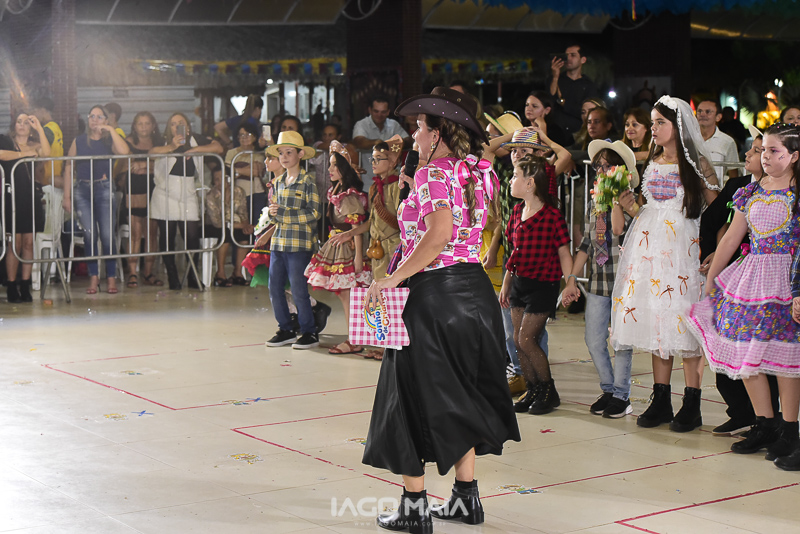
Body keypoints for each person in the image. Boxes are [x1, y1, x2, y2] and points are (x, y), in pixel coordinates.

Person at [362, 87, 520, 532]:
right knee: (461, 395)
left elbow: (437, 236)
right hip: (475, 293)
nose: (414, 135)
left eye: (419, 127)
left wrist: (392, 278)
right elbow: (470, 229)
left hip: (433, 296)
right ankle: (466, 500)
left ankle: (414, 507)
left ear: (436, 134)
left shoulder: (433, 173)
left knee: (405, 396)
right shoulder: (478, 173)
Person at [688, 123, 800, 470]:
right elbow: (731, 238)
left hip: (786, 279)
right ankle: (764, 423)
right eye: (763, 150)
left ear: (794, 156)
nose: (765, 157)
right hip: (752, 279)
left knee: (785, 358)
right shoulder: (750, 190)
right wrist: (713, 278)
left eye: (774, 151)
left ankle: (790, 429)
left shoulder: (797, 193)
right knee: (746, 351)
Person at [609, 95, 719, 432]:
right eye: (653, 122)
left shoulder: (697, 163)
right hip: (650, 249)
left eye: (660, 123)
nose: (654, 128)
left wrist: (713, 250)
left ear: (678, 126)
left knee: (683, 322)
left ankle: (692, 403)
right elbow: (648, 208)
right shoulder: (653, 160)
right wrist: (630, 206)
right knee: (658, 319)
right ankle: (661, 400)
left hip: (683, 249)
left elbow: (716, 210)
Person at [696, 126, 780, 436]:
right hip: (739, 275)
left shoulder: (788, 193)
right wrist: (713, 259)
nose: (752, 154)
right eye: (759, 150)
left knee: (768, 355)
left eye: (762, 150)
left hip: (773, 277)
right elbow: (717, 224)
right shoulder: (740, 187)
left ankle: (773, 422)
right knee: (732, 346)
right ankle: (746, 413)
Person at [562, 140, 640, 418]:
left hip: (624, 281)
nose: (601, 171)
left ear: (620, 170)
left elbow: (618, 229)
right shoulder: (595, 203)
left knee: (621, 340)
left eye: (607, 166)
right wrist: (572, 278)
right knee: (594, 339)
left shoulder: (631, 202)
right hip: (598, 280)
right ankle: (608, 388)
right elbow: (586, 244)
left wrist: (616, 198)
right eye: (598, 166)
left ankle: (621, 394)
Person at [500, 154, 573, 416]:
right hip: (519, 283)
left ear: (530, 183)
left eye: (515, 176)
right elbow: (514, 252)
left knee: (527, 339)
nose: (511, 181)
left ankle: (548, 389)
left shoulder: (552, 216)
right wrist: (506, 283)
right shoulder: (517, 212)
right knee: (517, 340)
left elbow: (564, 252)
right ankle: (532, 388)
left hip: (543, 285)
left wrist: (570, 282)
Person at [304, 141, 371, 354]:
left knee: (348, 293)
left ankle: (355, 338)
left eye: (335, 165)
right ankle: (355, 336)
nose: (330, 169)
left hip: (347, 248)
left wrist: (358, 257)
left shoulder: (348, 195)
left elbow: (356, 228)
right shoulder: (339, 190)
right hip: (339, 245)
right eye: (330, 164)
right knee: (345, 293)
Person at [260, 131, 321, 350]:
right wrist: (273, 214)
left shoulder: (307, 182)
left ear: (300, 154)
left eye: (289, 152)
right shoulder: (277, 182)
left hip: (299, 244)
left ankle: (309, 331)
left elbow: (314, 213)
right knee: (274, 287)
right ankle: (285, 328)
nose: (284, 157)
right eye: (281, 153)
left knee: (298, 289)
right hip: (279, 243)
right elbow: (275, 214)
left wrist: (283, 214)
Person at [149, 112, 224, 290]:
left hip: (188, 190)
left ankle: (192, 275)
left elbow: (218, 147)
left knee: (191, 236)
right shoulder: (163, 140)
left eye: (180, 123)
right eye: (173, 123)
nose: (177, 126)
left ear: (188, 126)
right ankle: (172, 276)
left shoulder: (195, 139)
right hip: (165, 191)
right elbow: (151, 153)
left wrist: (194, 150)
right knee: (168, 237)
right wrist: (172, 146)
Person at [62, 105, 130, 294]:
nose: (95, 120)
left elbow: (124, 152)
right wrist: (66, 195)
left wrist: (111, 130)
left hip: (104, 188)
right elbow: (68, 166)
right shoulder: (79, 140)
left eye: (100, 117)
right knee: (90, 234)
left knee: (107, 234)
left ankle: (111, 277)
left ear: (106, 120)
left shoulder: (109, 141)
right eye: (92, 116)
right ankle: (93, 277)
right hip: (82, 189)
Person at [0, 111, 50, 302]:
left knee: (29, 242)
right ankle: (12, 285)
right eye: (19, 121)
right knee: (15, 243)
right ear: (14, 125)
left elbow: (47, 153)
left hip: (31, 197)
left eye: (26, 122)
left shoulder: (34, 145)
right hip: (12, 196)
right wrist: (24, 154)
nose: (22, 125)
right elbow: (1, 155)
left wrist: (40, 129)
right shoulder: (5, 141)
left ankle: (25, 284)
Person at [119, 111, 164, 288]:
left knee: (151, 233)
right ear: (134, 126)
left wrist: (144, 165)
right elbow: (126, 166)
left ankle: (148, 273)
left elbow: (164, 166)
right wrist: (149, 166)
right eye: (140, 123)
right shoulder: (127, 143)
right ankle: (132, 273)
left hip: (155, 190)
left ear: (153, 126)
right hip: (134, 190)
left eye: (147, 123)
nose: (143, 127)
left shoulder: (160, 143)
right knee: (135, 234)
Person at [205, 162, 254, 286]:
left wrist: (246, 226)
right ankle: (220, 273)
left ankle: (237, 272)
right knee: (225, 234)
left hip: (234, 224)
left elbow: (243, 213)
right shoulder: (211, 195)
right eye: (216, 179)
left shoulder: (238, 191)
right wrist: (240, 225)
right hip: (214, 226)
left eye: (223, 178)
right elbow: (217, 222)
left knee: (245, 235)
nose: (220, 182)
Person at [351, 96, 411, 182]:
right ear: (370, 110)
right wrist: (377, 143)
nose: (379, 115)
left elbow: (409, 141)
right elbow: (358, 142)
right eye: (376, 111)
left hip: (392, 179)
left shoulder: (394, 125)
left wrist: (390, 144)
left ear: (388, 112)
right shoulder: (361, 124)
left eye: (383, 112)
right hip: (368, 180)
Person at [548, 44, 600, 137]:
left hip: (577, 133)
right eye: (566, 55)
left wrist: (565, 104)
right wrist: (555, 77)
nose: (568, 58)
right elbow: (549, 99)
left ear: (583, 60)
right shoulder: (556, 79)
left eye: (573, 55)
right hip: (556, 131)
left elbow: (588, 110)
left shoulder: (588, 84)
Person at [224, 121, 267, 226]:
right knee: (241, 223)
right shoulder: (231, 153)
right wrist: (247, 168)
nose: (244, 138)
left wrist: (235, 169)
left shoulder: (259, 153)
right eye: (241, 135)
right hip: (237, 194)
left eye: (248, 134)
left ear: (254, 137)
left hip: (256, 192)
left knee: (257, 224)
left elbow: (256, 171)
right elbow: (227, 171)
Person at [696, 99, 740, 182]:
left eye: (708, 112)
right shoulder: (687, 138)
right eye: (699, 111)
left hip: (717, 189)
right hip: (689, 189)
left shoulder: (727, 141)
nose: (702, 114)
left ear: (718, 117)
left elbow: (733, 174)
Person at [31, 97, 64, 187]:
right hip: (56, 173)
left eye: (36, 110)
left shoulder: (46, 130)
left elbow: (45, 152)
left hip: (47, 178)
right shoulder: (56, 127)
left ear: (43, 110)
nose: (35, 114)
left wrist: (38, 170)